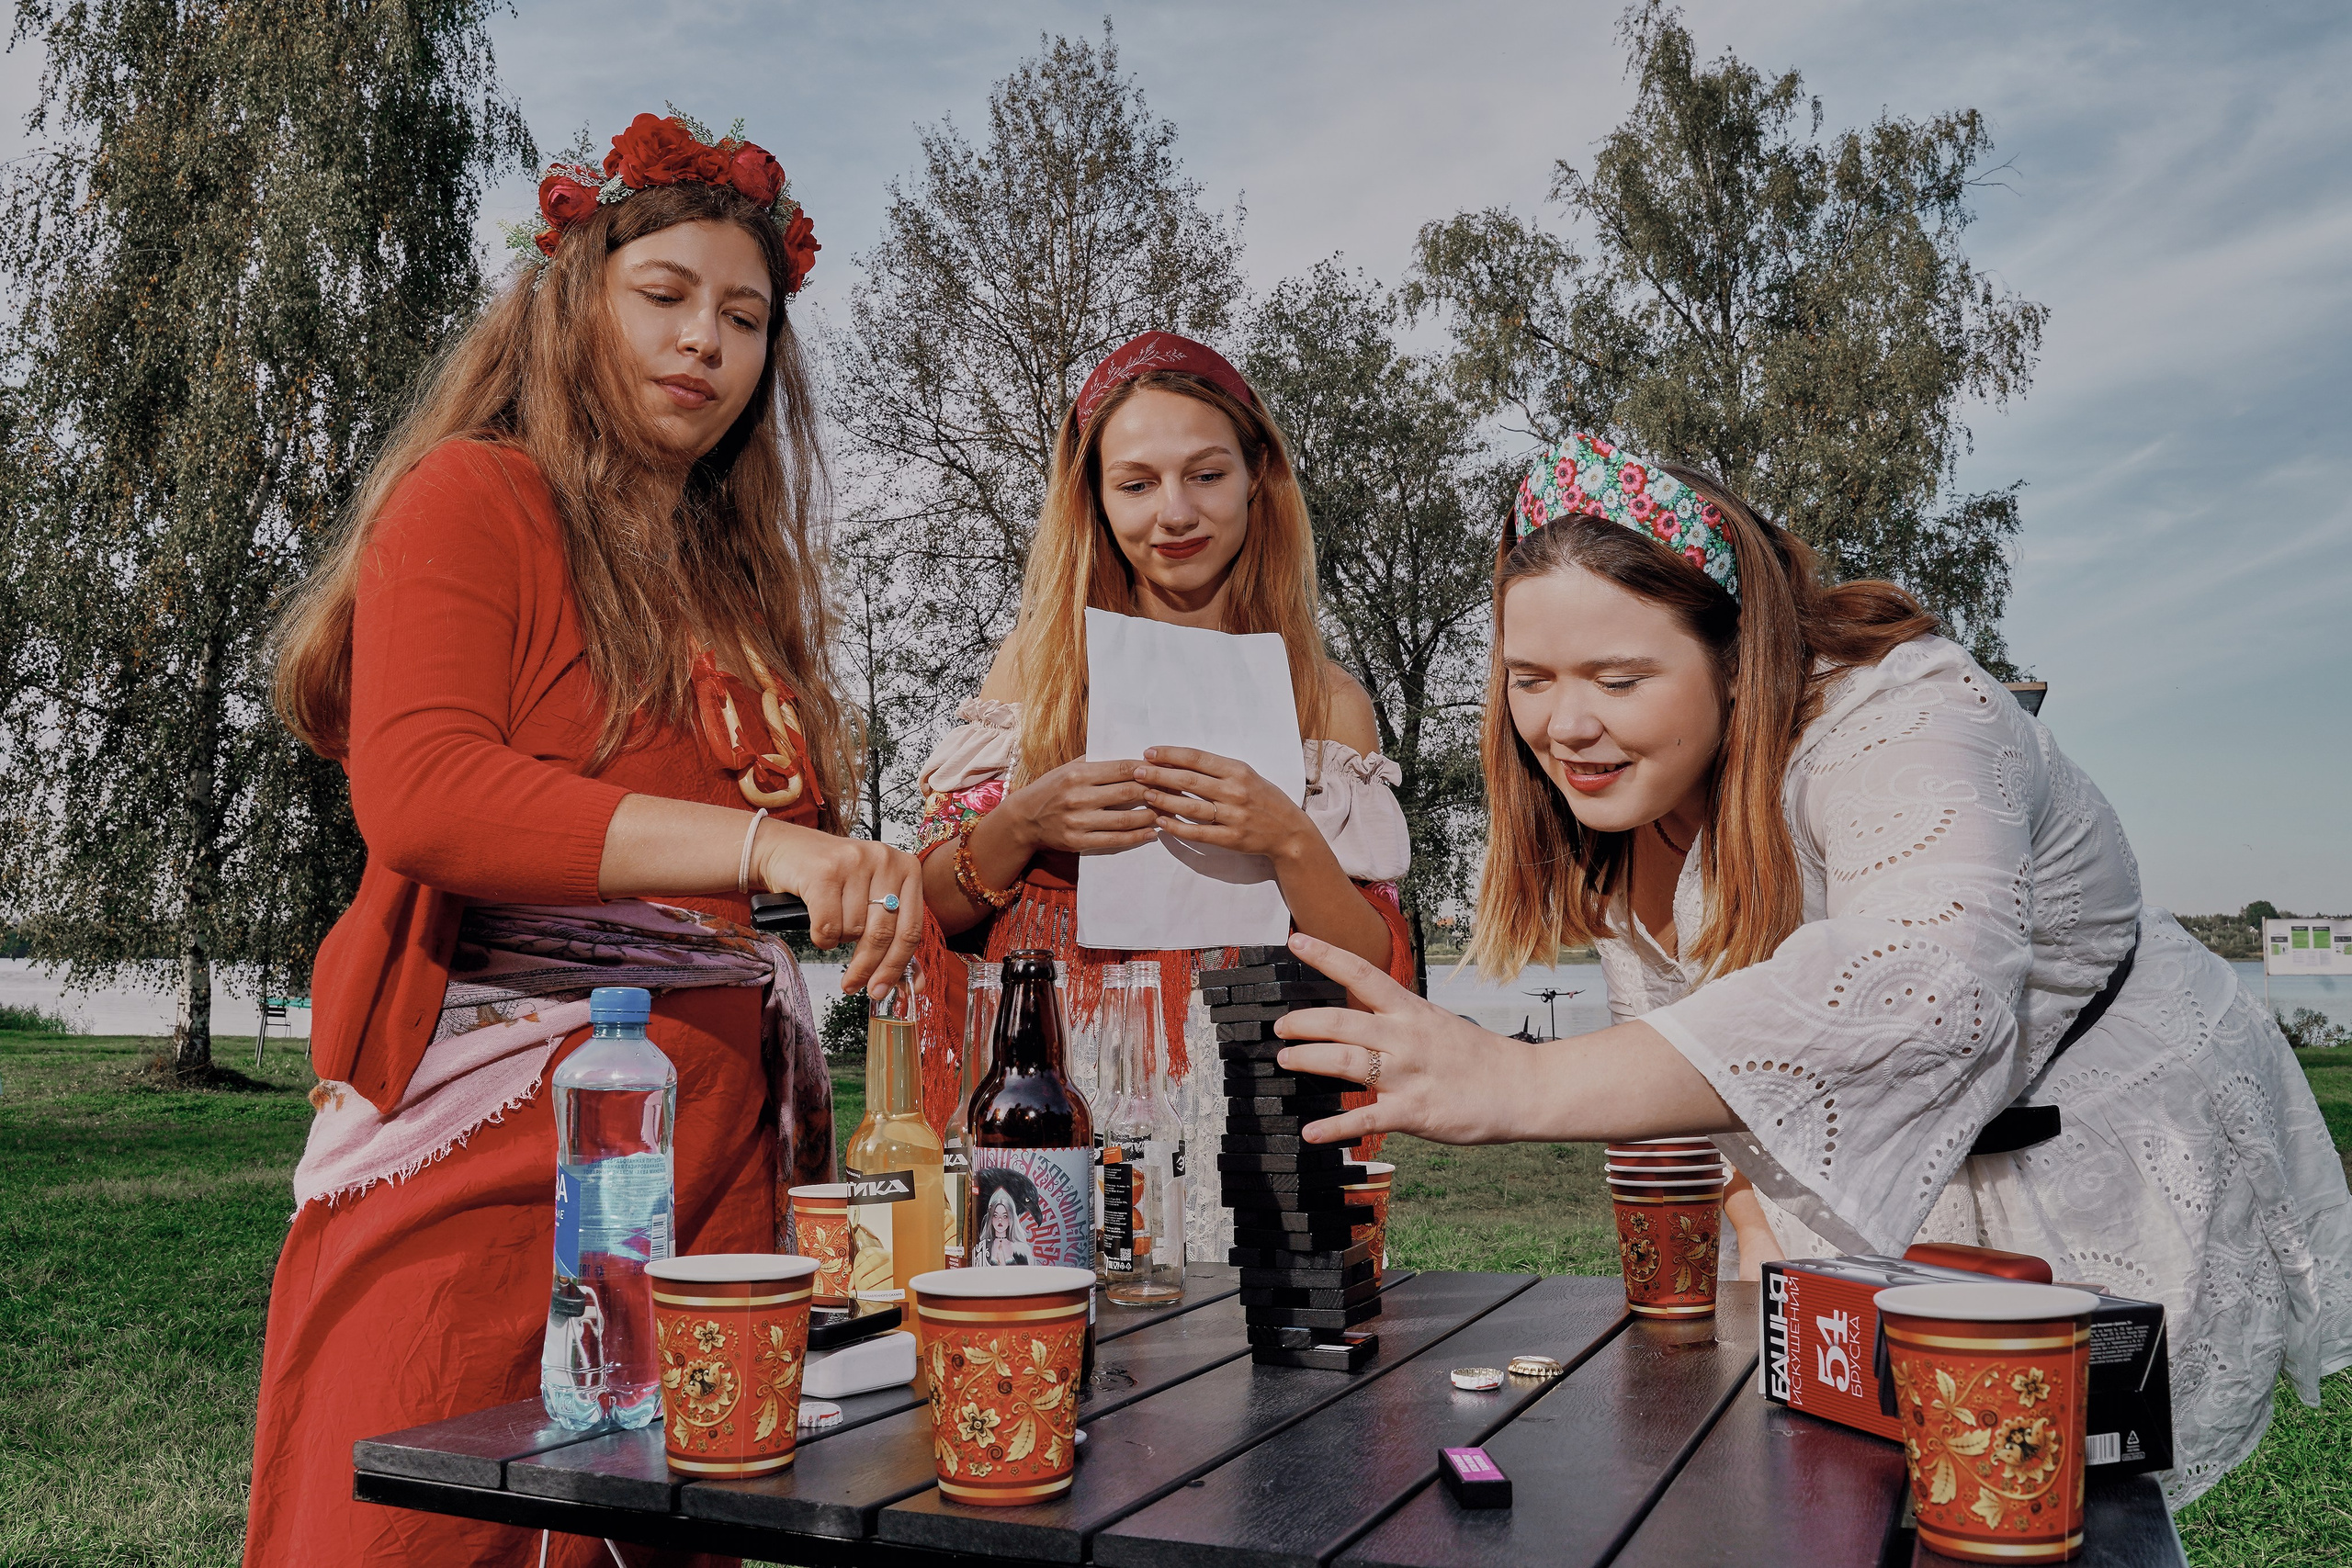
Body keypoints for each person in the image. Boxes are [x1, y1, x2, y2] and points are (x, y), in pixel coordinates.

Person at [1272, 433, 2352, 1506]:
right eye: (1530, 680)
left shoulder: (1909, 713)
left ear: (1738, 658)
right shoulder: (1621, 805)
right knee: (1840, 1499)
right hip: (1872, 1184)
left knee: (2045, 1507)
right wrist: (1765, 1265)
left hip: (2090, 1147)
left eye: (1617, 676)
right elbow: (1711, 1083)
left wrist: (1516, 1083)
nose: (1565, 725)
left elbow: (1930, 984)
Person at [248, 113, 920, 1568]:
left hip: (715, 1173)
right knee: (415, 1532)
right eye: (664, 294)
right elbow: (422, 788)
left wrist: (887, 872)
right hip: (494, 1147)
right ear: (573, 302)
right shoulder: (473, 498)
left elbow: (763, 869)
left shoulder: (740, 582)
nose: (706, 343)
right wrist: (767, 849)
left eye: (745, 316)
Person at [910, 332, 1415, 1258]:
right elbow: (931, 910)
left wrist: (1289, 840)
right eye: (1136, 483)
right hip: (1058, 1067)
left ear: (1257, 476)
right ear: (1093, 500)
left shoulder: (1326, 699)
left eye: (1206, 475)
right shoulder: (1038, 670)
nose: (1173, 514)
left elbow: (1375, 974)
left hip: (1243, 1084)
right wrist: (1022, 823)